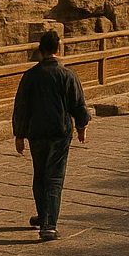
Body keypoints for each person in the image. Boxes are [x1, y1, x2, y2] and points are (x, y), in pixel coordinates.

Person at [12, 31, 92, 241]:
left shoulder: (30, 76)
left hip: (36, 133)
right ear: (58, 49)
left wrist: (19, 134)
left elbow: (21, 107)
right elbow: (78, 104)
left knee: (40, 174)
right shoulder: (67, 75)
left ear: (41, 51)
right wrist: (82, 126)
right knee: (54, 177)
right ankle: (49, 224)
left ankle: (43, 214)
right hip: (59, 132)